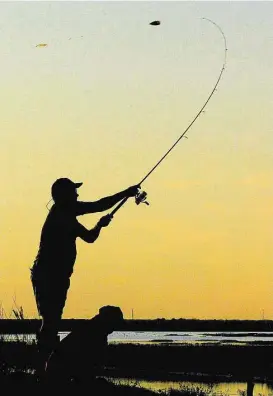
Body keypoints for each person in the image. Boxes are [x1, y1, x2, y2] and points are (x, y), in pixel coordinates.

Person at [30, 177, 139, 377]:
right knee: (50, 321)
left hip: (58, 276)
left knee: (52, 320)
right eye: (73, 192)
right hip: (48, 274)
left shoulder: (68, 218)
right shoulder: (63, 212)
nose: (77, 195)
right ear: (64, 196)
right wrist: (126, 192)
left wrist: (100, 225)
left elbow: (90, 237)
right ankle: (42, 370)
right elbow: (99, 205)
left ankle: (44, 368)